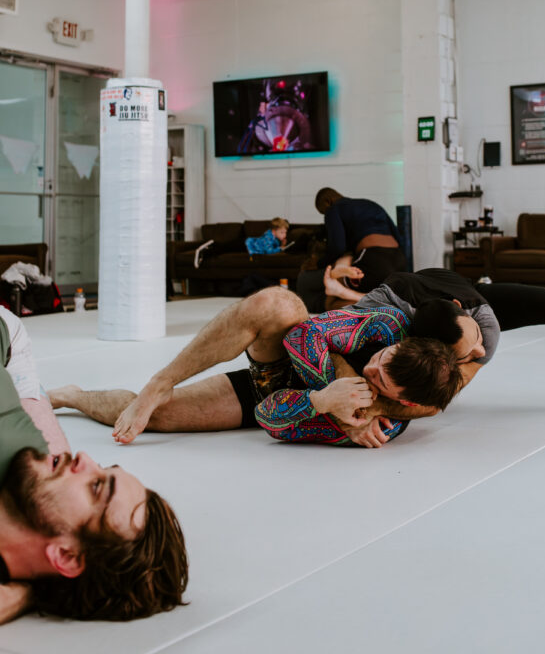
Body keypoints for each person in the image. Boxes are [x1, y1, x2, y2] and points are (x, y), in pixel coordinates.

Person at [49, 286, 462, 449]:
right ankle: (163, 379)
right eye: (381, 359)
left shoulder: (374, 426)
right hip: (283, 357)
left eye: (380, 378)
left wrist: (322, 402)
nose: (373, 367)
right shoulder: (388, 328)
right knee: (278, 305)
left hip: (271, 392)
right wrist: (340, 383)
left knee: (158, 418)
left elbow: (270, 418)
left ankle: (73, 395)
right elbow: (302, 335)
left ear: (401, 399)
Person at [0, 309, 188, 624]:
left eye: (97, 486)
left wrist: (30, 592)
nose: (85, 458)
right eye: (102, 469)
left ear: (66, 556)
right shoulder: (18, 442)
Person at [324, 267, 545, 417]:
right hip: (403, 295)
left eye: (474, 345)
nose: (480, 353)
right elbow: (322, 333)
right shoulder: (382, 312)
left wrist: (377, 409)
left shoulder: (483, 328)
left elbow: (435, 402)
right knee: (351, 341)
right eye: (467, 356)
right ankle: (339, 292)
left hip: (465, 292)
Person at [297, 188, 406, 313]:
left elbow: (337, 247)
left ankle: (339, 283)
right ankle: (384, 305)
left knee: (331, 300)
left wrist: (319, 264)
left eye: (323, 211)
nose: (325, 214)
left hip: (373, 259)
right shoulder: (370, 204)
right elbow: (398, 237)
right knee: (375, 292)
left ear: (328, 201)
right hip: (399, 259)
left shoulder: (333, 209)